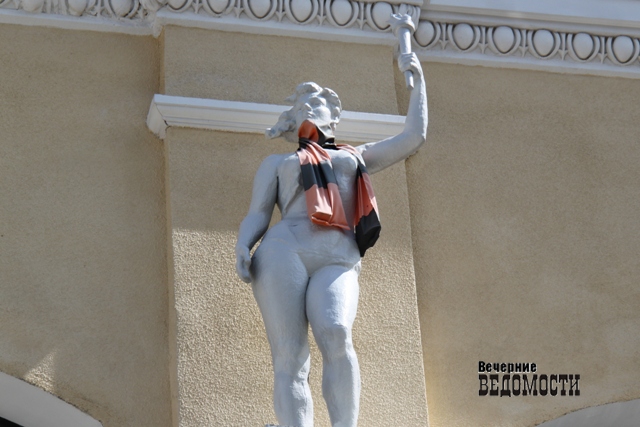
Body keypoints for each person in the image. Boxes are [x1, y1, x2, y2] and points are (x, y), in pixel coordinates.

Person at [235, 52, 428, 427]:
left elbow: (413, 137)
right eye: (303, 105)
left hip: (338, 256)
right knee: (290, 355)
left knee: (337, 332)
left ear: (334, 117)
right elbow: (258, 212)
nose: (310, 107)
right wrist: (244, 243)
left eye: (318, 102)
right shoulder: (277, 163)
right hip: (283, 250)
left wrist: (418, 82)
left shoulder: (356, 156)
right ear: (293, 121)